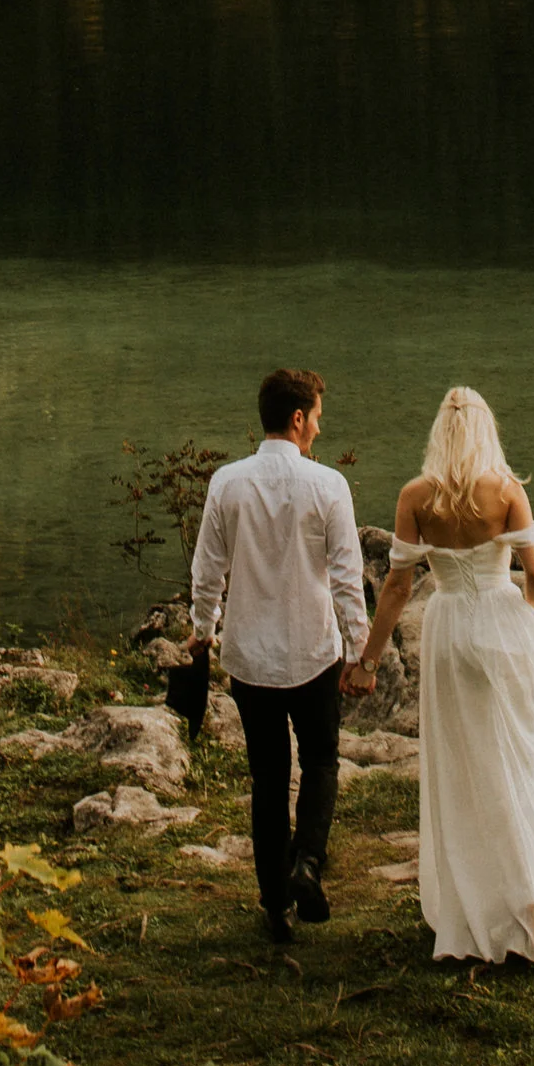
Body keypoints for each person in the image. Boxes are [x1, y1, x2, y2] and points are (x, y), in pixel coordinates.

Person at [345, 384, 534, 969]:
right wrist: (527, 624)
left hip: (447, 631)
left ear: (439, 434)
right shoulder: (507, 492)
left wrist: (368, 662)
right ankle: (524, 912)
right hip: (499, 623)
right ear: (487, 431)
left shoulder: (416, 496)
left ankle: (466, 915)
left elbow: (395, 586)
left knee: (460, 766)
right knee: (512, 762)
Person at [188, 366, 368, 944]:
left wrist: (202, 629)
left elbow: (207, 568)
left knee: (268, 776)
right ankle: (307, 863)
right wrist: (360, 650)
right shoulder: (328, 486)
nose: (319, 426)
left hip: (249, 657)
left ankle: (274, 907)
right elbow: (346, 577)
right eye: (316, 416)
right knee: (320, 762)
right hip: (314, 654)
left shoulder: (226, 482)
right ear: (297, 418)